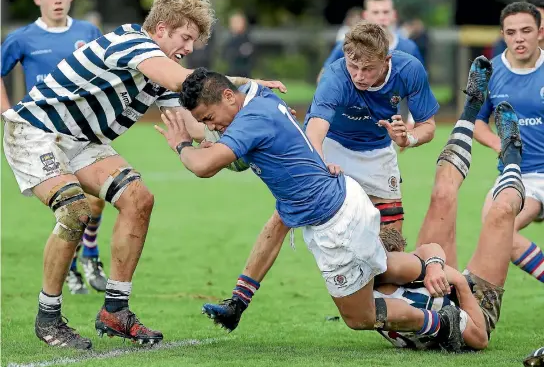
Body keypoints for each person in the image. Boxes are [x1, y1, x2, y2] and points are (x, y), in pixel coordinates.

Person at [2, 0, 285, 350]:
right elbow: (186, 80)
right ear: (161, 28)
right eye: (185, 37)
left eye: (194, 42)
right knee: (75, 210)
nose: (188, 47)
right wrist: (248, 89)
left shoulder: (161, 72)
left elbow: (193, 121)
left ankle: (115, 311)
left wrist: (236, 136)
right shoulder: (131, 43)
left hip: (81, 142)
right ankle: (48, 316)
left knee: (139, 199)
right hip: (35, 131)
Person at [155, 68, 467, 352]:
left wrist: (182, 144)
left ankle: (441, 323)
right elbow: (233, 105)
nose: (211, 126)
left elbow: (203, 167)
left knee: (360, 317)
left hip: (336, 224)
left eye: (209, 118)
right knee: (281, 221)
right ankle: (239, 300)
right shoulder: (259, 96)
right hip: (340, 201)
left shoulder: (251, 121)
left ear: (227, 97)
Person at [374, 95, 526, 351]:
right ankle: (512, 157)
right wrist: (458, 282)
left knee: (442, 193)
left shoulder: (385, 267)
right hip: (470, 313)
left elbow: (426, 250)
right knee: (501, 211)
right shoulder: (389, 309)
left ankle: (470, 110)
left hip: (438, 284)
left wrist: (433, 266)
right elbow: (479, 338)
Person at [0, 0, 108, 294]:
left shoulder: (88, 33)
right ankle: (73, 269)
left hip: (84, 131)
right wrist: (7, 112)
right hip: (44, 136)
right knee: (72, 207)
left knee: (98, 200)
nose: (57, 0)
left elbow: (107, 72)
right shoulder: (22, 38)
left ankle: (89, 255)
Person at [307, 22, 438, 233]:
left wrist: (407, 139)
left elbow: (428, 126)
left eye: (368, 69)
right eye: (353, 66)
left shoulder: (409, 69)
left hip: (378, 149)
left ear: (386, 60)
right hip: (333, 145)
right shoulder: (334, 77)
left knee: (392, 240)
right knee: (302, 223)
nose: (359, 76)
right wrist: (323, 163)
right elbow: (314, 132)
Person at [472, 1, 544, 283]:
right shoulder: (488, 72)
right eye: (511, 32)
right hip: (515, 174)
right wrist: (498, 144)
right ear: (503, 34)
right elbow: (476, 122)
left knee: (499, 234)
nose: (519, 38)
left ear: (540, 31)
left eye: (526, 30)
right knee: (495, 231)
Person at [319, 0, 423, 79]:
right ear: (365, 15)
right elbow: (323, 78)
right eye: (375, 12)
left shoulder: (409, 48)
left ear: (394, 15)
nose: (381, 17)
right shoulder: (347, 45)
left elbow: (421, 84)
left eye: (385, 12)